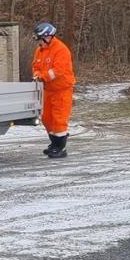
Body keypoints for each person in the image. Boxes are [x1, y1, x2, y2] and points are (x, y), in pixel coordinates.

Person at [32, 21, 75, 158]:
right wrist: (37, 75)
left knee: (59, 119)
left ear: (48, 37)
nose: (40, 43)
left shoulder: (61, 50)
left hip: (61, 90)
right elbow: (35, 67)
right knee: (46, 118)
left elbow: (57, 71)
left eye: (41, 39)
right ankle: (54, 143)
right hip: (47, 90)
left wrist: (42, 77)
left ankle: (61, 147)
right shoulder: (40, 50)